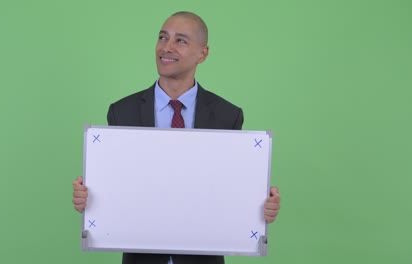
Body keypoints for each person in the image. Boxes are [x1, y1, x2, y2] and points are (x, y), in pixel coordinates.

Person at [72, 11, 281, 264]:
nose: (166, 47)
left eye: (180, 40)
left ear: (202, 54)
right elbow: (118, 184)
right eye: (162, 37)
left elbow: (228, 189)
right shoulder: (122, 112)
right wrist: (91, 198)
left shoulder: (227, 116)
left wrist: (259, 208)